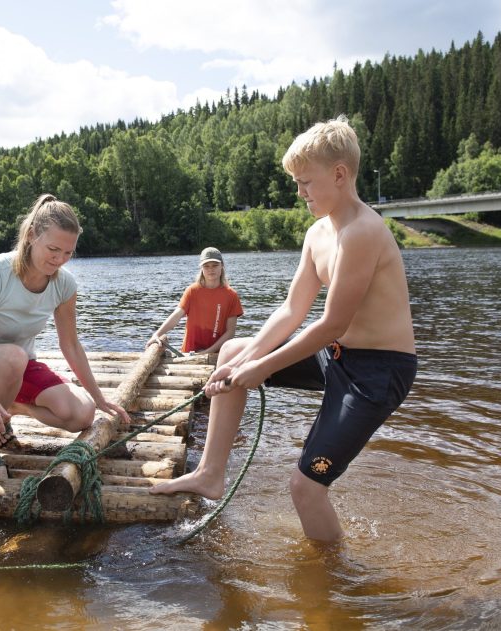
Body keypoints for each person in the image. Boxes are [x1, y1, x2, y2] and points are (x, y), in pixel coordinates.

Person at [151, 116, 417, 542]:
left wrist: (262, 367)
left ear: (339, 174)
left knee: (305, 488)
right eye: (296, 182)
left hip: (378, 372)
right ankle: (210, 474)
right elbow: (292, 310)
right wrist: (247, 359)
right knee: (232, 351)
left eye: (306, 182)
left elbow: (332, 324)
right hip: (337, 355)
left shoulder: (362, 233)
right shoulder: (317, 234)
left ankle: (333, 576)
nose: (299, 192)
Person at [0, 193, 129, 479]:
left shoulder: (64, 285)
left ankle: (9, 407)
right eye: (53, 249)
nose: (59, 259)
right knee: (13, 356)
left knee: (82, 413)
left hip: (17, 369)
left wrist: (99, 397)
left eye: (68, 253)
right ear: (31, 235)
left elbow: (71, 344)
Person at [146, 247, 243, 355]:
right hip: (189, 354)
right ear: (201, 268)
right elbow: (176, 315)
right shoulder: (192, 291)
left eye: (215, 265)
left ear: (222, 265)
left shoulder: (231, 295)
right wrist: (157, 334)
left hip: (217, 355)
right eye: (206, 266)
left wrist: (207, 352)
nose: (211, 269)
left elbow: (230, 332)